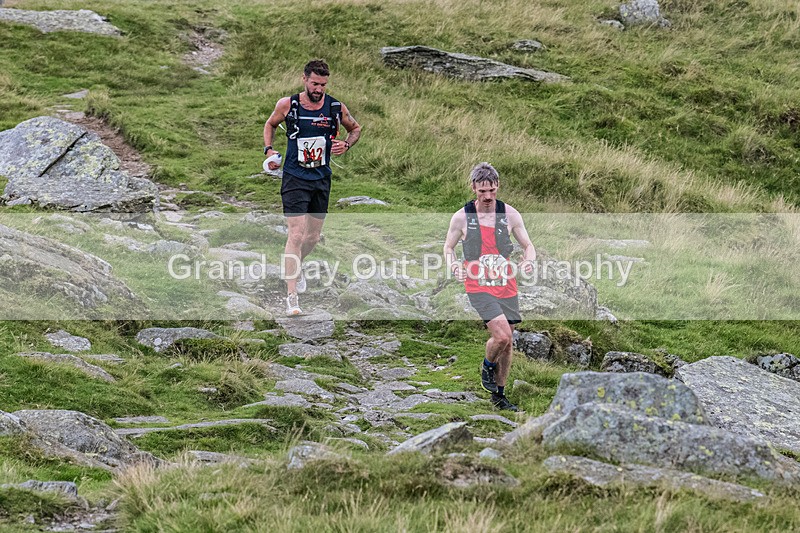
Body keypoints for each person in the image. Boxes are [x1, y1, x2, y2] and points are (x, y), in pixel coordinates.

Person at [263, 59, 361, 316]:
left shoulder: (335, 107)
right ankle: (292, 297)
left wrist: (346, 145)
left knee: (312, 237)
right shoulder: (288, 105)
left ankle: (297, 265)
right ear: (304, 79)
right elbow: (270, 124)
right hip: (295, 177)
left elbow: (355, 128)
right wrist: (269, 150)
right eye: (315, 83)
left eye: (324, 85)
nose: (319, 89)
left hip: (321, 177)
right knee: (295, 235)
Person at [443, 162, 536, 411]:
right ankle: (487, 364)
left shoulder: (510, 214)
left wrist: (528, 261)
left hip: (507, 284)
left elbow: (528, 245)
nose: (487, 196)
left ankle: (500, 395)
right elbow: (448, 248)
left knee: (508, 341)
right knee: (501, 336)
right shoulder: (462, 217)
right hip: (478, 284)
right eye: (482, 191)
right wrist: (454, 267)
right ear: (473, 187)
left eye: (492, 191)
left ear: (498, 187)